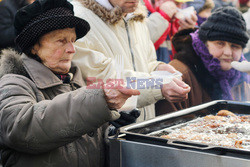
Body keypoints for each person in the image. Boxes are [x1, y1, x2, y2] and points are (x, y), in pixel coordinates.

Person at [0, 0, 141, 166]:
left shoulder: (76, 81)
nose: (72, 49)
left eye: (73, 40)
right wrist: (98, 101)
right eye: (61, 41)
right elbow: (23, 130)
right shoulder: (13, 83)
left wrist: (111, 128)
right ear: (34, 47)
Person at [71, 0, 191, 122]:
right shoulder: (79, 18)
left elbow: (147, 62)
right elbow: (99, 78)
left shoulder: (135, 15)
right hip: (106, 130)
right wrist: (157, 84)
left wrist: (158, 68)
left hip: (142, 126)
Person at [156, 6, 250, 116]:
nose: (228, 52)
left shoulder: (241, 76)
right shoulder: (178, 74)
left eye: (235, 46)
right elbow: (166, 127)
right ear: (205, 43)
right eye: (220, 43)